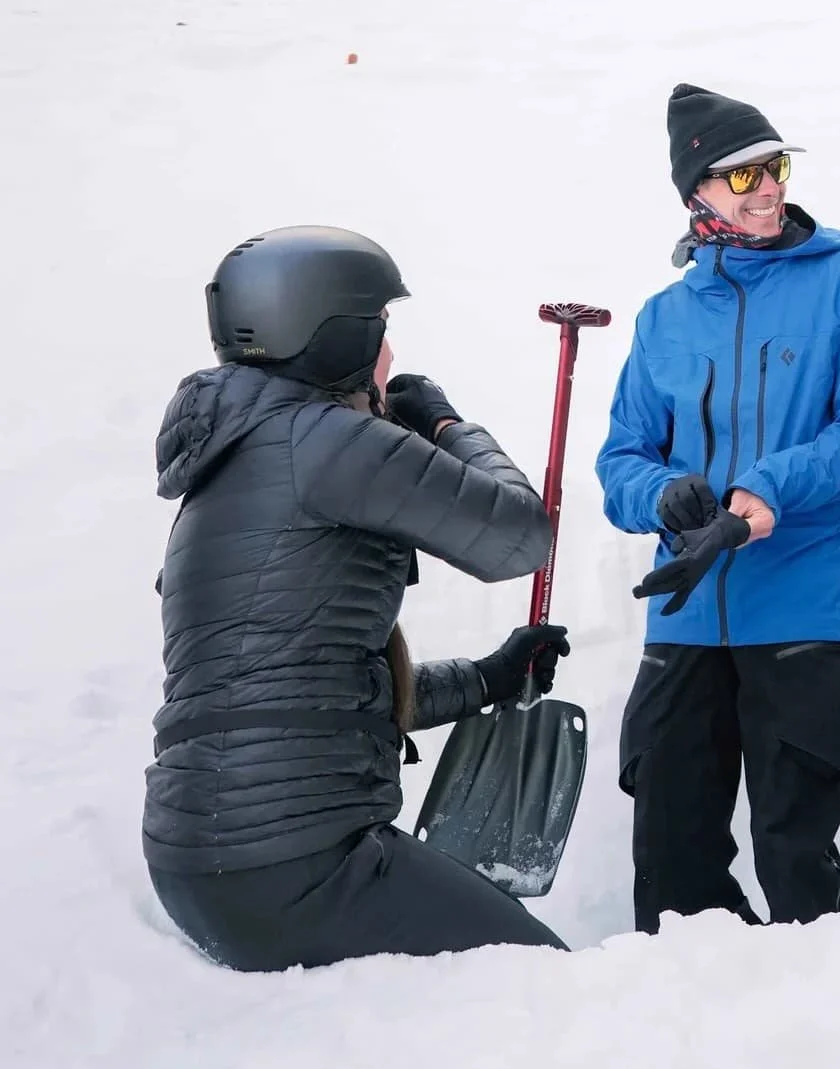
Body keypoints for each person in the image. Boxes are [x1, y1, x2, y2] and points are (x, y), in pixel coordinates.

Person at [144, 224, 571, 970]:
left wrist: (487, 680)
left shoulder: (231, 463)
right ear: (335, 334)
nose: (392, 355)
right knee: (545, 982)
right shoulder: (322, 440)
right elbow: (520, 536)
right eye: (382, 330)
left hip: (208, 861)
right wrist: (443, 424)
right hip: (294, 858)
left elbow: (302, 690)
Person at [597, 83, 840, 931]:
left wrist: (764, 493)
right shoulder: (664, 319)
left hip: (807, 602)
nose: (767, 187)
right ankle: (699, 1027)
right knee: (669, 857)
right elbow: (621, 459)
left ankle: (829, 1016)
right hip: (688, 614)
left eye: (774, 166)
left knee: (793, 853)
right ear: (695, 191)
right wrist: (664, 495)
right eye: (741, 177)